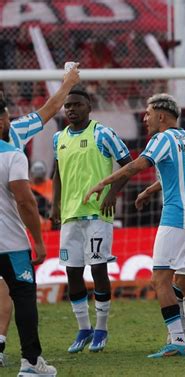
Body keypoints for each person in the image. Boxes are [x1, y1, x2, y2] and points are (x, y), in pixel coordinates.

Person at [85, 93, 185, 358]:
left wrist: (104, 182)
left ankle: (178, 341)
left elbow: (137, 165)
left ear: (161, 115)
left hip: (176, 215)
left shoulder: (163, 138)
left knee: (160, 279)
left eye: (147, 114)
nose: (144, 119)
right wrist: (151, 190)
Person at [0, 65, 80, 364]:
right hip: (9, 228)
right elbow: (50, 108)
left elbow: (49, 108)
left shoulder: (15, 130)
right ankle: (31, 360)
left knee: (6, 288)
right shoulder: (16, 134)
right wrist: (69, 82)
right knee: (17, 289)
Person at [52, 89, 132, 353]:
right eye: (67, 106)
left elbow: (127, 164)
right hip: (69, 216)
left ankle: (101, 328)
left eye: (76, 104)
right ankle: (83, 328)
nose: (71, 109)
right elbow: (57, 175)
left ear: (89, 106)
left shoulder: (102, 133)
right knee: (72, 271)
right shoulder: (59, 138)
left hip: (97, 214)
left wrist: (112, 193)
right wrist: (55, 204)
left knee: (98, 269)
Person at [0, 96, 56, 376]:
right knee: (23, 297)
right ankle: (31, 363)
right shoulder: (12, 154)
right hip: (9, 243)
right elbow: (26, 202)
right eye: (8, 117)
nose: (10, 122)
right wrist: (39, 241)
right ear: (1, 121)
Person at [30, 160, 54, 231]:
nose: (38, 181)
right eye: (37, 179)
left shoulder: (52, 185)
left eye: (40, 179)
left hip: (51, 224)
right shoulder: (28, 188)